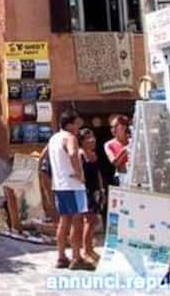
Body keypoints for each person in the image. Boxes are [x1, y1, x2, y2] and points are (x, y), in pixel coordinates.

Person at [47, 112, 94, 270]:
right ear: (69, 124)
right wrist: (79, 174)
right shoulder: (70, 137)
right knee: (77, 220)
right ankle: (76, 257)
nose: (78, 127)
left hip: (59, 185)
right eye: (76, 124)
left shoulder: (54, 138)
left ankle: (61, 256)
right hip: (72, 184)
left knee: (64, 220)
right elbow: (73, 153)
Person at [78, 127, 104, 263]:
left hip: (95, 191)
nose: (92, 140)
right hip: (85, 191)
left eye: (93, 136)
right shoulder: (80, 154)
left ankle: (90, 248)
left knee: (93, 221)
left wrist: (101, 189)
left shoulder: (94, 154)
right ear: (82, 141)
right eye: (88, 138)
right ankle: (86, 250)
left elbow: (98, 172)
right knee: (89, 220)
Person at [104, 114, 131, 186]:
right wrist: (125, 150)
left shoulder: (133, 141)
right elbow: (115, 163)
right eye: (111, 127)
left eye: (116, 126)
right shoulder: (108, 144)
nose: (113, 129)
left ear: (124, 127)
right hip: (122, 177)